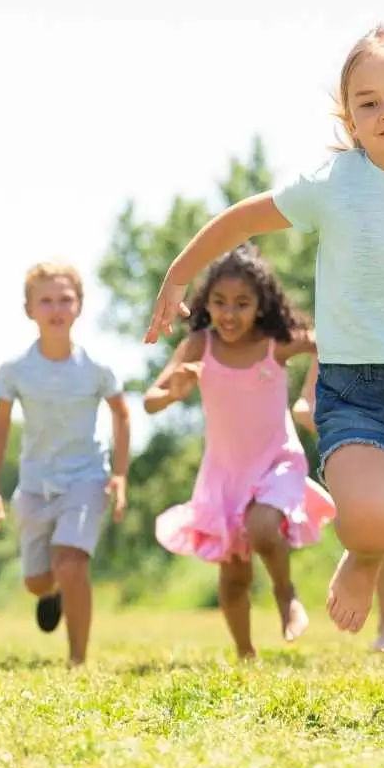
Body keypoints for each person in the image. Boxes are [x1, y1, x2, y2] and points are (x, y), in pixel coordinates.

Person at [143, 23, 384, 714]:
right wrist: (181, 273)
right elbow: (244, 220)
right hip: (361, 393)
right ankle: (362, 558)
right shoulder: (336, 184)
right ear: (349, 119)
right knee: (375, 517)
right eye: (367, 102)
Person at [144, 246, 334, 658]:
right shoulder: (200, 345)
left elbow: (326, 343)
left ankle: (286, 594)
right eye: (219, 303)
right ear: (205, 302)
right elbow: (150, 400)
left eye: (242, 304)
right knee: (233, 579)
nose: (229, 314)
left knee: (263, 528)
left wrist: (309, 397)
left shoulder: (274, 345)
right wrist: (173, 390)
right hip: (225, 475)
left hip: (276, 463)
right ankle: (246, 652)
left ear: (261, 305)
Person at [0, 261, 130, 666]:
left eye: (65, 298)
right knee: (36, 581)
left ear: (79, 306)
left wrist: (119, 474)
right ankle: (53, 592)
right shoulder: (16, 370)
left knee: (72, 562)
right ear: (29, 310)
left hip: (85, 477)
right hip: (34, 483)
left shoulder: (96, 368)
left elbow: (122, 413)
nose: (56, 307)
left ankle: (77, 660)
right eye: (45, 300)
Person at [293, 355, 384, 654]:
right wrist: (333, 421)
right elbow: (303, 404)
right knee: (383, 527)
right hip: (353, 444)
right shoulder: (336, 332)